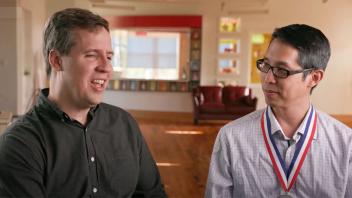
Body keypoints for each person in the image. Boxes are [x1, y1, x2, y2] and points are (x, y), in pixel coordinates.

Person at [0, 8, 166, 197]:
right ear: (56, 61)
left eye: (109, 56)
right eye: (92, 55)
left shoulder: (124, 124)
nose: (107, 67)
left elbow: (153, 194)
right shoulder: (20, 144)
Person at [205, 24, 352, 197]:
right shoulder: (231, 137)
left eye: (282, 70)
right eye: (266, 65)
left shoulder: (346, 145)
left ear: (314, 78)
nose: (267, 78)